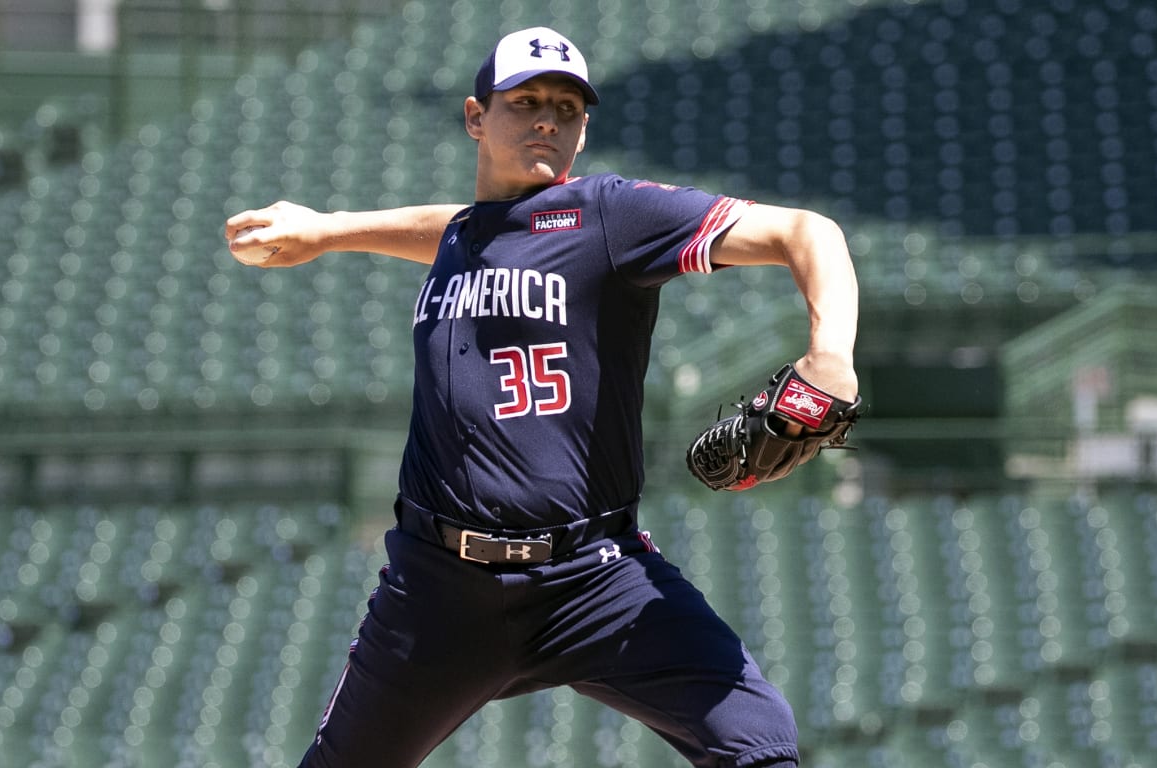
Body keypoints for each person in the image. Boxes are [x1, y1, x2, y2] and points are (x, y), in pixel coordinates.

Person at [224, 26, 859, 768]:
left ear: (584, 130)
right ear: (474, 117)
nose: (547, 120)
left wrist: (832, 357)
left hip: (593, 577)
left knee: (760, 742)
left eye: (566, 107)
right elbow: (457, 226)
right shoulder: (465, 235)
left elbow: (807, 231)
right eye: (524, 102)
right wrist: (328, 231)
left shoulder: (609, 218)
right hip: (439, 592)